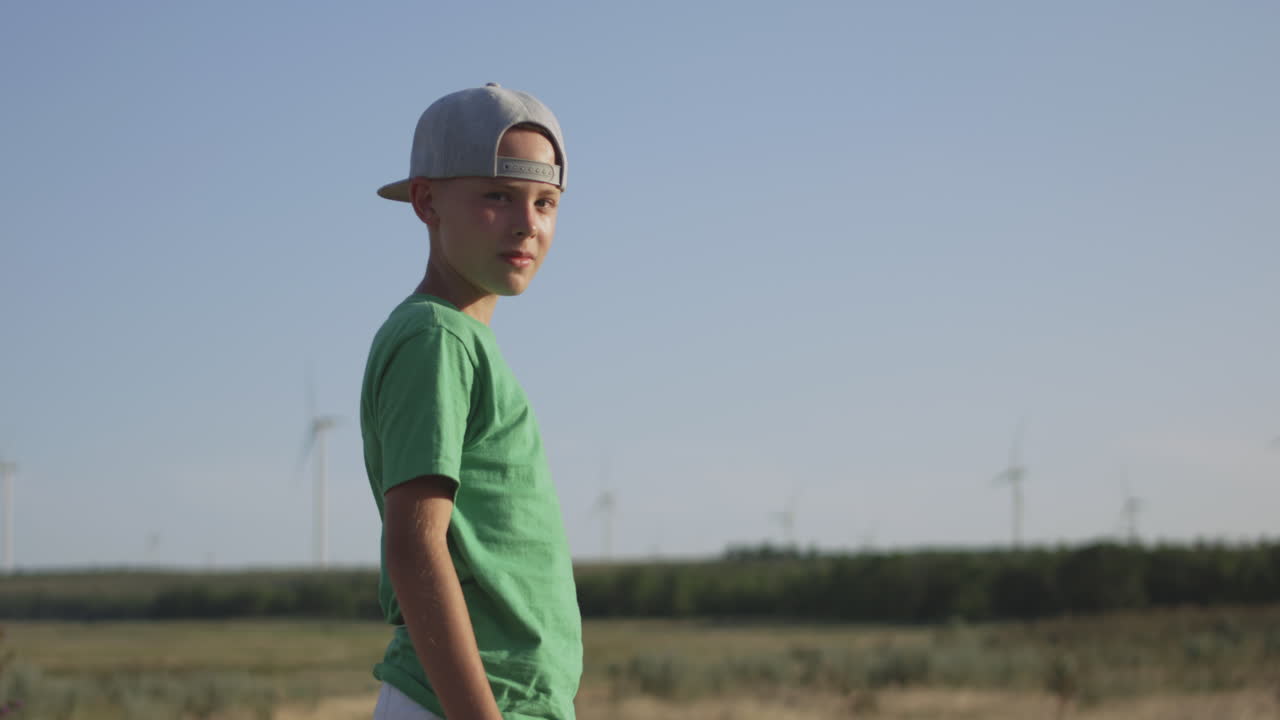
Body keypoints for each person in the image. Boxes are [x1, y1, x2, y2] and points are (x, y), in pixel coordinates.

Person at [360, 84, 581, 720]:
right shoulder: (436, 336)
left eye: (547, 201)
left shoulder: (462, 340)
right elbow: (415, 546)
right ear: (426, 201)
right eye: (497, 196)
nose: (527, 223)